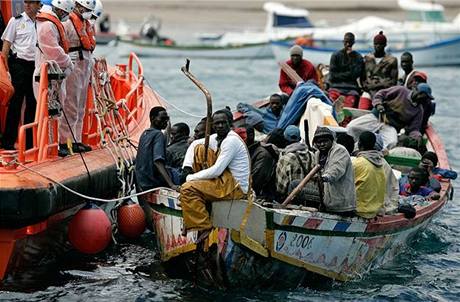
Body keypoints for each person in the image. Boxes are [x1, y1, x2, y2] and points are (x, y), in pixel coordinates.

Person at [180, 109, 250, 239]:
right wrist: (187, 168)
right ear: (212, 125)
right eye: (217, 123)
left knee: (187, 189)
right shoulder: (216, 138)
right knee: (200, 149)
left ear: (230, 123)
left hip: (235, 187)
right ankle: (192, 216)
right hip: (224, 181)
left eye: (223, 123)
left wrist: (190, 178)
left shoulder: (231, 140)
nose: (220, 126)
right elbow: (195, 144)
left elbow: (217, 170)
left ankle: (203, 225)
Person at [34, 0, 74, 153]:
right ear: (60, 10)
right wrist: (68, 62)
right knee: (47, 112)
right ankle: (47, 148)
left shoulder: (51, 24)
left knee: (55, 110)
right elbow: (53, 51)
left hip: (53, 74)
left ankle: (53, 145)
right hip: (45, 75)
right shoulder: (47, 26)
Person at [1, 0, 42, 150]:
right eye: (26, 2)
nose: (28, 5)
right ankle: (8, 142)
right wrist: (6, 72)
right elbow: (5, 48)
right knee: (16, 105)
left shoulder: (42, 22)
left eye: (31, 3)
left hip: (35, 66)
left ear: (38, 5)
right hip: (19, 65)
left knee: (33, 104)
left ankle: (29, 143)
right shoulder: (15, 21)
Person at [58, 0, 96, 156]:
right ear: (78, 7)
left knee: (80, 106)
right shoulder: (67, 23)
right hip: (74, 63)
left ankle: (76, 139)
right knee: (70, 104)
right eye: (85, 8)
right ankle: (64, 142)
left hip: (85, 64)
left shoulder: (87, 24)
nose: (87, 12)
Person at [347, 83, 433, 149]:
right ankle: (354, 148)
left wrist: (417, 136)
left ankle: (376, 155)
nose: (422, 97)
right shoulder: (401, 90)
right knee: (352, 127)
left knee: (392, 142)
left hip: (391, 126)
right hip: (377, 117)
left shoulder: (419, 110)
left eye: (425, 97)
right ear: (415, 89)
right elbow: (381, 94)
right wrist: (378, 104)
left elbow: (414, 128)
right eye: (421, 94)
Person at [313, 127, 356, 216]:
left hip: (342, 202)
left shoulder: (340, 150)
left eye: (325, 141)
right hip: (327, 198)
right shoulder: (317, 154)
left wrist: (325, 177)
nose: (322, 144)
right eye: (318, 142)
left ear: (331, 141)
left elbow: (336, 169)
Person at [135, 107, 179, 192]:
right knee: (180, 174)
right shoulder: (158, 134)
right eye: (162, 118)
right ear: (152, 118)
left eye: (167, 119)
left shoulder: (145, 133)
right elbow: (158, 161)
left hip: (142, 182)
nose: (165, 121)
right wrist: (171, 185)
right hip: (152, 182)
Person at [276, 126, 319, 205]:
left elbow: (280, 188)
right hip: (310, 200)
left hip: (291, 201)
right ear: (299, 139)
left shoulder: (286, 158)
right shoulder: (312, 155)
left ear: (285, 139)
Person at [359, 31, 398, 110]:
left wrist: (377, 87)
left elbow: (393, 81)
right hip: (368, 92)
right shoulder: (367, 58)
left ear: (385, 45)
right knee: (362, 110)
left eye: (380, 44)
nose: (378, 46)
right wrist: (368, 88)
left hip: (384, 93)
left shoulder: (392, 60)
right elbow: (362, 78)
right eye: (376, 44)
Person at [352, 131, 385, 219]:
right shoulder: (380, 164)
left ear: (359, 144)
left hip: (359, 211)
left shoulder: (358, 163)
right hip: (373, 211)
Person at [327, 32, 364, 109]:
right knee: (331, 107)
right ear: (343, 42)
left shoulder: (358, 57)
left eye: (350, 42)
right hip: (335, 87)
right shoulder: (336, 55)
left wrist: (350, 58)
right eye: (346, 42)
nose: (347, 44)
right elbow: (333, 75)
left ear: (353, 43)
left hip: (351, 89)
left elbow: (355, 75)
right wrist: (348, 75)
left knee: (347, 110)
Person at [245, 125, 278, 199]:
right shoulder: (247, 150)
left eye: (242, 137)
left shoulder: (262, 155)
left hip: (261, 196)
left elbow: (256, 182)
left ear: (250, 136)